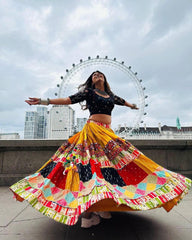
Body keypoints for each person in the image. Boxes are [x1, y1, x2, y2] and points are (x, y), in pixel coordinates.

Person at [10, 71, 191, 228]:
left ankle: (103, 206)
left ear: (104, 79)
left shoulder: (110, 95)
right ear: (91, 80)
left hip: (108, 134)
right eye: (94, 74)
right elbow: (68, 100)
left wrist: (132, 106)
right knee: (92, 170)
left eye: (100, 74)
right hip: (93, 132)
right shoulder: (89, 92)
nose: (97, 75)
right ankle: (88, 215)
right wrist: (43, 101)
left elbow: (122, 101)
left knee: (115, 168)